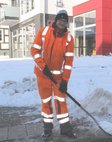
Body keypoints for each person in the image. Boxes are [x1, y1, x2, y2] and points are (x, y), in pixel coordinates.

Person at [31, 10, 76, 138]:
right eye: (60, 20)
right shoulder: (43, 32)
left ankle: (65, 129)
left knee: (61, 101)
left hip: (58, 77)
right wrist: (42, 66)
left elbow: (68, 62)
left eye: (65, 21)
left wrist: (65, 81)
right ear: (56, 20)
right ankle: (47, 129)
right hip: (42, 75)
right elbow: (34, 50)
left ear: (67, 23)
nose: (62, 22)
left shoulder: (69, 39)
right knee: (46, 101)